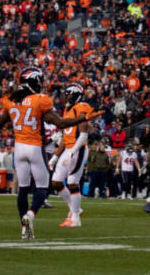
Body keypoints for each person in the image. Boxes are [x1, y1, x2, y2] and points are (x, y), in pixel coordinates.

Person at [0, 65, 92, 240]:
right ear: (35, 81)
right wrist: (81, 118)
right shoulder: (40, 100)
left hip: (18, 147)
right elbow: (60, 123)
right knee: (42, 188)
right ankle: (30, 214)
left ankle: (24, 229)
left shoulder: (12, 99)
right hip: (35, 147)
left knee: (22, 188)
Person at [50, 83, 94, 228]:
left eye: (68, 94)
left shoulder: (82, 107)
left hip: (78, 148)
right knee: (56, 181)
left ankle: (75, 218)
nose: (65, 96)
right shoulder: (67, 110)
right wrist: (56, 156)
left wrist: (73, 152)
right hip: (68, 148)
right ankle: (75, 209)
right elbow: (65, 136)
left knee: (72, 182)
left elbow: (83, 135)